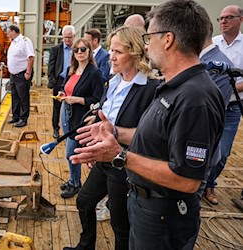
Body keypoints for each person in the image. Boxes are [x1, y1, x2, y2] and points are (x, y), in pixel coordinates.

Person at [70, 0, 225, 249]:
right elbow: (155, 137)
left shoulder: (195, 98)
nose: (146, 44)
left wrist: (119, 155)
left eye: (148, 36)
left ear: (167, 40)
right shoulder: (175, 88)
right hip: (147, 206)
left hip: (164, 219)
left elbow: (188, 180)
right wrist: (114, 131)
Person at [64, 26, 160, 250]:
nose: (111, 56)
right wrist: (94, 148)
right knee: (84, 201)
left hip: (124, 163)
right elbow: (105, 121)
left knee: (120, 224)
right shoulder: (113, 82)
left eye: (118, 51)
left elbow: (152, 135)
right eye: (111, 50)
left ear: (135, 53)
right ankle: (85, 245)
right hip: (104, 158)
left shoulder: (151, 89)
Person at [57, 38, 103, 199]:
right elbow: (66, 87)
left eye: (83, 49)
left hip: (80, 116)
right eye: (76, 50)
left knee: (71, 152)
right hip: (66, 112)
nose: (79, 53)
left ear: (89, 51)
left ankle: (75, 183)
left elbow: (98, 99)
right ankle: (73, 180)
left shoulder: (94, 73)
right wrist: (63, 93)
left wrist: (77, 99)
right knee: (70, 149)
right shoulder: (72, 69)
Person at [206, 5, 243, 204]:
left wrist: (226, 89)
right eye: (221, 18)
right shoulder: (213, 44)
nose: (223, 21)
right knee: (204, 145)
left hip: (231, 107)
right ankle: (202, 184)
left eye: (229, 17)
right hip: (210, 105)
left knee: (224, 151)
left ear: (240, 20)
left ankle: (210, 184)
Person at [48, 25, 75, 138]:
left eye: (69, 37)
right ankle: (55, 128)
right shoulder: (56, 49)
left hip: (73, 80)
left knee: (72, 105)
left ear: (74, 36)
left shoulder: (78, 49)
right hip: (59, 81)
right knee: (56, 107)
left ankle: (70, 130)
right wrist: (53, 81)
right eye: (65, 37)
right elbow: (51, 66)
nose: (67, 40)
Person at [6, 24, 35, 128]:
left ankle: (23, 119)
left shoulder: (25, 41)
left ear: (14, 31)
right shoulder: (13, 42)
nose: (7, 34)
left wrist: (28, 73)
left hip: (22, 74)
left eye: (8, 32)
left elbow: (31, 57)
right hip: (13, 75)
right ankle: (16, 116)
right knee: (15, 96)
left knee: (23, 97)